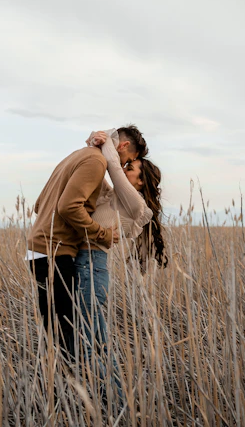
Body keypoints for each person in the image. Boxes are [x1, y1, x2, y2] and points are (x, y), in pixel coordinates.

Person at [26, 125, 148, 361]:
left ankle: (61, 391)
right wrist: (101, 233)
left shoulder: (76, 156)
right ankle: (76, 392)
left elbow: (39, 205)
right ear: (122, 147)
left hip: (37, 252)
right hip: (55, 253)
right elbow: (68, 207)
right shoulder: (96, 162)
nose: (121, 168)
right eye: (127, 161)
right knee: (68, 343)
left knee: (57, 338)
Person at [76, 130, 166, 382]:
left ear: (140, 182)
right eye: (127, 165)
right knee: (93, 338)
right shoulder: (116, 198)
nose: (124, 168)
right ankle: (109, 397)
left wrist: (109, 142)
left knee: (91, 340)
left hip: (91, 267)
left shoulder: (136, 204)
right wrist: (93, 143)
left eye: (131, 168)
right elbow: (99, 172)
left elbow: (112, 167)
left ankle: (110, 397)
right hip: (84, 264)